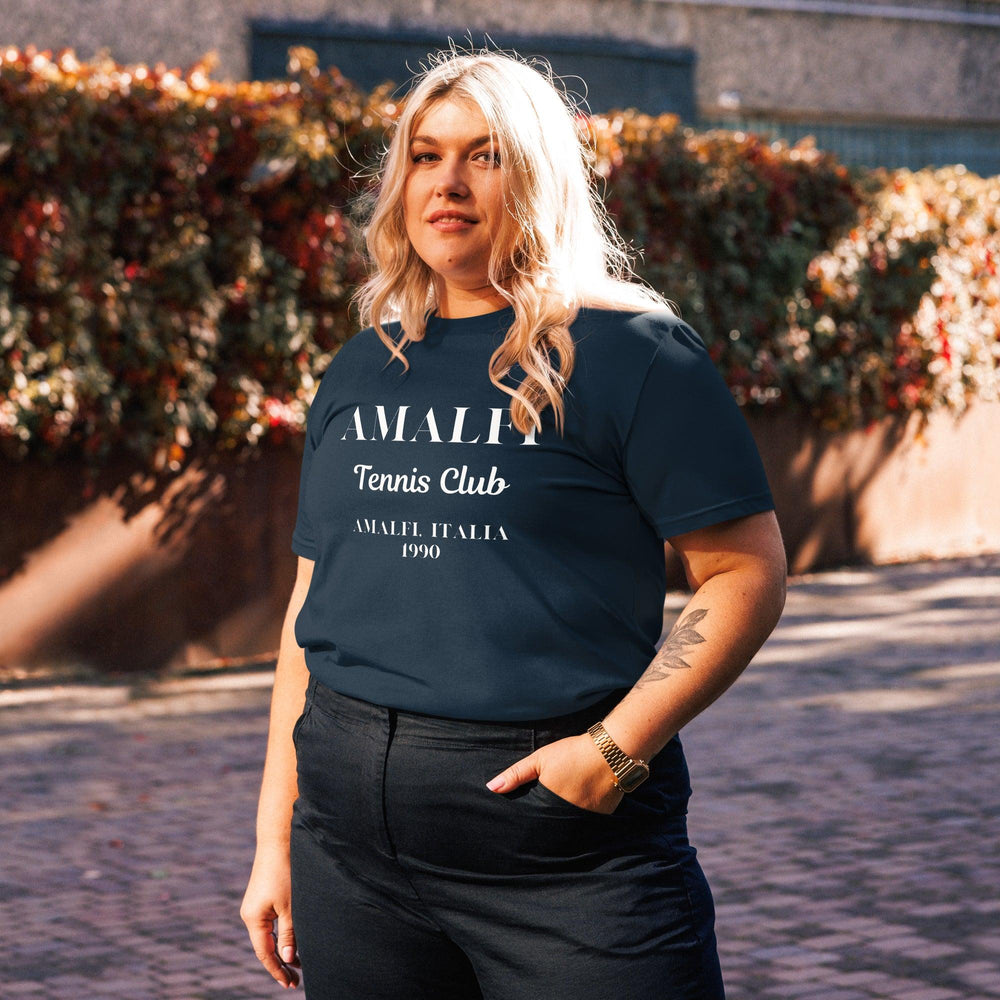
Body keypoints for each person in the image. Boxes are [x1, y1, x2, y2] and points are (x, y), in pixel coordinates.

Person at [241, 44, 787, 999]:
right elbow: (311, 604)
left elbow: (746, 572)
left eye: (484, 156)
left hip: (564, 854)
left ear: (536, 177)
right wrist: (274, 839)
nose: (447, 182)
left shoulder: (634, 355)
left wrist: (615, 752)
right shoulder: (361, 367)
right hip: (352, 849)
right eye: (425, 155)